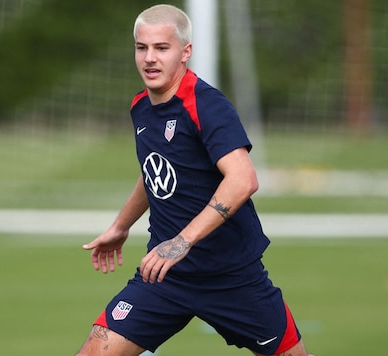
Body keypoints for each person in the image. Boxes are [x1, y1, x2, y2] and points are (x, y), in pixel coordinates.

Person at [76, 4, 314, 356]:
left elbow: (243, 179)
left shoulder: (207, 105)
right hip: (164, 278)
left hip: (231, 278)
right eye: (142, 48)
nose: (149, 58)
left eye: (161, 48)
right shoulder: (141, 107)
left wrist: (182, 241)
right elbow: (155, 171)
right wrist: (121, 226)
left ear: (185, 52)